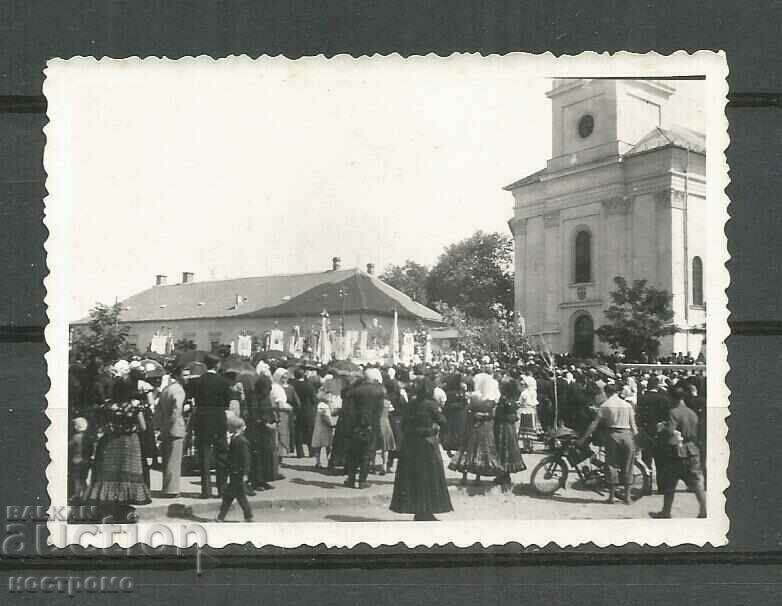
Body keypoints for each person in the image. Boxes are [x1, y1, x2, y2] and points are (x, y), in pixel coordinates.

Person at [83, 376, 152, 522]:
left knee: (110, 474)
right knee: (127, 474)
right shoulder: (135, 405)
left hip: (110, 442)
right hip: (130, 443)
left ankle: (108, 509)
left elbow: (101, 425)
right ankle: (124, 510)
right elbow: (143, 427)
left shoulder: (108, 406)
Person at [390, 377, 453, 521]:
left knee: (414, 477)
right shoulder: (431, 405)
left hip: (411, 444)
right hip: (427, 443)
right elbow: (443, 422)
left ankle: (417, 510)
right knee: (429, 477)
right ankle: (426, 510)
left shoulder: (411, 404)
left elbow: (404, 424)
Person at [650, 386, 708, 519]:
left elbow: (671, 432)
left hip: (677, 452)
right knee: (696, 482)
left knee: (670, 483)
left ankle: (666, 511)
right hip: (692, 449)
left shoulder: (673, 412)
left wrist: (662, 428)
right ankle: (703, 510)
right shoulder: (692, 413)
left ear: (672, 398)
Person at [577, 383, 638, 505]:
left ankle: (611, 497)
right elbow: (633, 426)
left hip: (612, 435)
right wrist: (637, 439)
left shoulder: (605, 405)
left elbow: (594, 424)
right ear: (617, 392)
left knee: (611, 465)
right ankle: (627, 497)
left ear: (606, 392)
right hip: (627, 434)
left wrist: (583, 438)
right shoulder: (627, 405)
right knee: (628, 465)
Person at [449, 372, 502, 484]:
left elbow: (469, 410)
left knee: (468, 449)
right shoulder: (493, 398)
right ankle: (477, 477)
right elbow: (493, 414)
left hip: (473, 425)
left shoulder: (474, 396)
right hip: (486, 427)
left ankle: (465, 477)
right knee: (481, 450)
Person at [191, 354, 232, 498]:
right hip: (219, 419)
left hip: (202, 419)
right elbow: (227, 402)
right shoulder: (223, 381)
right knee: (221, 454)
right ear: (217, 365)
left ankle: (205, 490)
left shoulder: (198, 381)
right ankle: (222, 488)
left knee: (204, 455)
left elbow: (194, 399)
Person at [344, 368, 385, 489]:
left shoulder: (355, 391)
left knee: (353, 453)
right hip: (371, 425)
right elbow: (379, 411)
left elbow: (349, 410)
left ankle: (351, 479)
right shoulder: (379, 391)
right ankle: (362, 480)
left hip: (355, 425)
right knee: (367, 453)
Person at [215, 415, 254, 522]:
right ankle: (247, 516)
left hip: (238, 473)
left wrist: (245, 473)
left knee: (231, 497)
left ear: (234, 427)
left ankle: (221, 517)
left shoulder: (241, 441)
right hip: (234, 472)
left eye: (229, 427)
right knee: (237, 497)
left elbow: (246, 459)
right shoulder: (236, 439)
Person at [636, 376, 672, 493]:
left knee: (647, 460)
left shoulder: (642, 399)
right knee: (661, 461)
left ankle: (648, 487)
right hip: (660, 432)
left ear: (648, 386)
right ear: (657, 386)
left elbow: (639, 417)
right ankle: (662, 488)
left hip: (646, 431)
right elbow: (668, 418)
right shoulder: (664, 399)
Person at [157, 366, 187, 497]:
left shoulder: (166, 389)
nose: (187, 378)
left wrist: (161, 427)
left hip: (165, 427)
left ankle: (166, 487)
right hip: (175, 427)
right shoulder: (179, 390)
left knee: (167, 459)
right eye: (185, 375)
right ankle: (172, 490)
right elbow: (176, 410)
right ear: (178, 375)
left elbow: (158, 411)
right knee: (174, 460)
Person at [493, 378, 526, 488]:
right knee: (509, 450)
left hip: (503, 427)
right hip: (510, 428)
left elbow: (499, 414)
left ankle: (502, 475)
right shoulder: (512, 400)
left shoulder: (504, 400)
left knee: (502, 450)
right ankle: (506, 475)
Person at [249, 369, 278, 491]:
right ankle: (257, 481)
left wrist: (274, 421)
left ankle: (265, 479)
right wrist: (265, 423)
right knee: (258, 457)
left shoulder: (265, 397)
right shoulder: (254, 397)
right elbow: (254, 415)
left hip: (267, 432)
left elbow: (270, 411)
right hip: (257, 431)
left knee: (267, 456)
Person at [311, 378, 339, 468]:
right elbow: (325, 417)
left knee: (324, 445)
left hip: (322, 427)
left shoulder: (325, 404)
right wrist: (332, 424)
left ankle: (322, 461)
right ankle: (321, 462)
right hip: (324, 428)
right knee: (324, 445)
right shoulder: (323, 405)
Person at [293, 367, 318, 458]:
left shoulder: (293, 385)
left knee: (298, 432)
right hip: (308, 410)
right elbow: (314, 399)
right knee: (310, 431)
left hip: (297, 411)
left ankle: (300, 453)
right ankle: (312, 451)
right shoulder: (309, 385)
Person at [441, 373, 467, 456]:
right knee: (452, 430)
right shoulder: (451, 393)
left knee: (456, 429)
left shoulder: (459, 391)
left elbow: (464, 402)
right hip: (453, 413)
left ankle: (455, 445)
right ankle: (450, 445)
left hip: (457, 413)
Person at [68, 417, 91, 504]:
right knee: (83, 479)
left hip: (77, 461)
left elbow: (69, 447)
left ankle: (77, 495)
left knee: (77, 479)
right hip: (86, 461)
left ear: (76, 427)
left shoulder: (75, 437)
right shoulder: (88, 438)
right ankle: (85, 496)